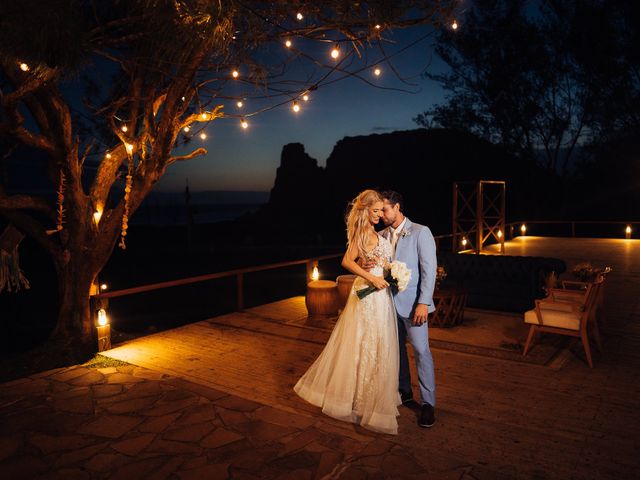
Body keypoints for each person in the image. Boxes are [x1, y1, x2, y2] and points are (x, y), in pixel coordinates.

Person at [294, 189, 401, 434]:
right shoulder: (362, 233)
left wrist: (391, 274)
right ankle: (358, 401)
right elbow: (346, 261)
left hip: (381, 296)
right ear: (365, 211)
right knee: (363, 344)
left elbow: (379, 261)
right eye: (374, 211)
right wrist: (370, 278)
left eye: (379, 211)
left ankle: (375, 397)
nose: (378, 215)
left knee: (379, 345)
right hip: (367, 295)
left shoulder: (375, 233)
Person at [380, 190, 437, 428]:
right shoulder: (380, 236)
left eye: (384, 209)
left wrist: (423, 302)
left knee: (421, 352)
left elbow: (429, 270)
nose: (381, 215)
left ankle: (428, 404)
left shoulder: (420, 232)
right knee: (396, 352)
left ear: (397, 207)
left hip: (414, 306)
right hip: (386, 306)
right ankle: (404, 391)